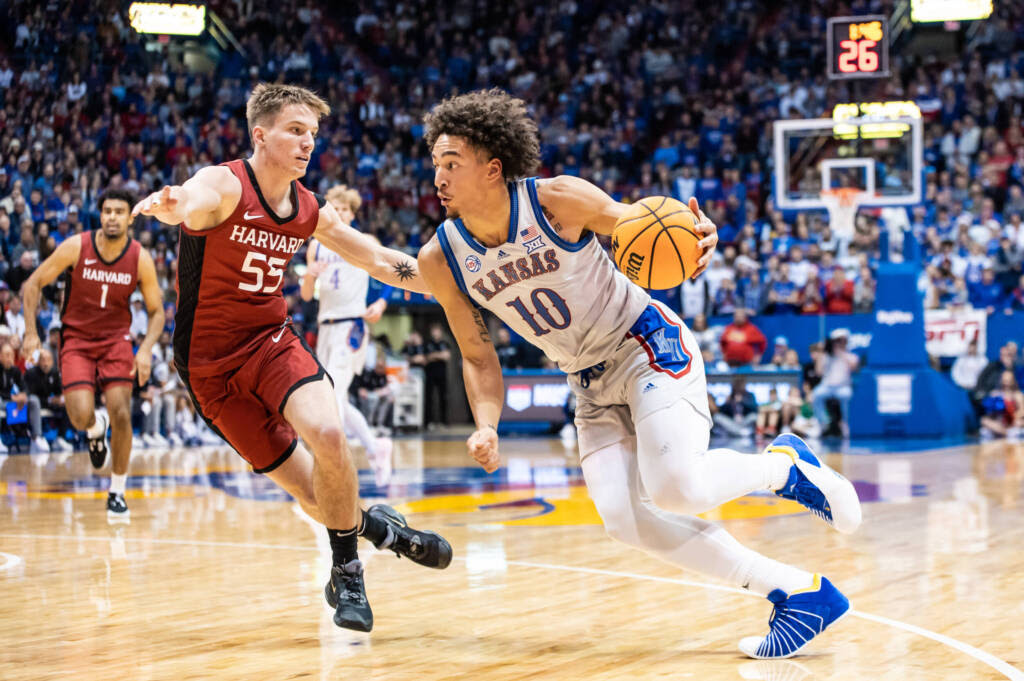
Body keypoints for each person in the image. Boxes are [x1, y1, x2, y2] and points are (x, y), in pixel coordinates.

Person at [417, 89, 861, 659]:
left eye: (451, 163)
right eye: (436, 163)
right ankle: (799, 595)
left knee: (678, 488)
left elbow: (643, 223)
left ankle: (784, 467)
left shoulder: (556, 200)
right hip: (587, 383)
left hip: (643, 344)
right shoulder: (442, 257)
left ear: (492, 168)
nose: (439, 177)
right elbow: (478, 356)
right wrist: (486, 424)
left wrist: (698, 234)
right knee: (625, 521)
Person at [132, 83, 451, 632]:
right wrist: (173, 203)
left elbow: (377, 258)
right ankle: (384, 532)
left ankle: (347, 572)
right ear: (261, 135)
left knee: (328, 433)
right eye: (296, 131)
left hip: (271, 341)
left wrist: (449, 282)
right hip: (209, 368)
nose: (308, 143)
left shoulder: (307, 208)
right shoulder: (225, 184)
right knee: (313, 494)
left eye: (313, 134)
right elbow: (192, 197)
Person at [22, 188, 165, 522]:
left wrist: (145, 349)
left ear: (129, 218)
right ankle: (94, 427)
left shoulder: (140, 258)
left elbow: (157, 311)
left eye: (119, 211)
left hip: (116, 340)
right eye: (107, 211)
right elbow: (33, 284)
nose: (112, 217)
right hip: (77, 339)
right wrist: (30, 333)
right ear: (100, 215)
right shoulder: (77, 246)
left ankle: (117, 491)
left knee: (122, 412)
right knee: (79, 415)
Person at [300, 183, 393, 486]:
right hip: (325, 326)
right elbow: (306, 295)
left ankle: (330, 467)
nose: (338, 213)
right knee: (337, 395)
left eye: (343, 209)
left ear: (352, 214)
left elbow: (390, 272)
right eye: (334, 208)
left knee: (331, 393)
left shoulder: (365, 241)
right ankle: (376, 447)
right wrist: (310, 275)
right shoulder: (316, 245)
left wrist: (381, 302)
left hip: (351, 324)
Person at [811, 329, 859, 438]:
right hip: (826, 387)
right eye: (836, 341)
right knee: (816, 395)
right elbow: (818, 372)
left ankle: (844, 423)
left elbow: (854, 367)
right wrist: (821, 353)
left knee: (846, 395)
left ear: (846, 342)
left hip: (842, 387)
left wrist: (840, 353)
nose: (838, 343)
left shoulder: (850, 356)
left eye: (841, 341)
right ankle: (822, 423)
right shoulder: (826, 356)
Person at [23, 348, 73, 452]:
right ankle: (37, 437)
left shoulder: (55, 372)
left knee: (68, 403)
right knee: (34, 401)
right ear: (38, 361)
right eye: (43, 360)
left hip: (49, 402)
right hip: (34, 404)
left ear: (52, 362)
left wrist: (61, 398)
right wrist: (50, 400)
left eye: (48, 360)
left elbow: (59, 391)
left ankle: (61, 438)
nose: (45, 363)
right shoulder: (31, 373)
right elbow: (30, 395)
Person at [424, 323, 451, 428]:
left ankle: (443, 421)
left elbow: (447, 356)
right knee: (429, 398)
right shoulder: (427, 344)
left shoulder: (445, 343)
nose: (436, 333)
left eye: (437, 330)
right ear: (431, 332)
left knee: (443, 397)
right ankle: (429, 422)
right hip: (430, 374)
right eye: (434, 331)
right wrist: (440, 355)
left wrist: (434, 355)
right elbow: (426, 358)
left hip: (442, 374)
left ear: (441, 332)